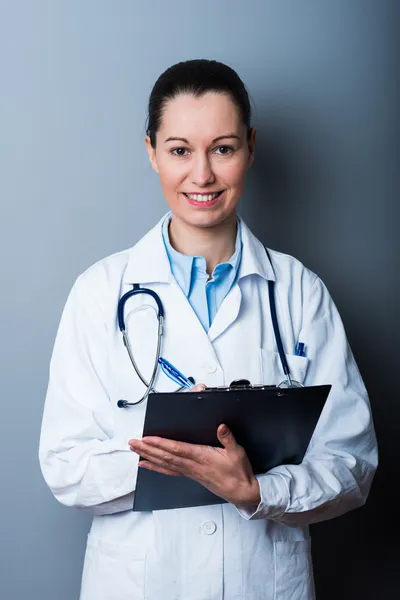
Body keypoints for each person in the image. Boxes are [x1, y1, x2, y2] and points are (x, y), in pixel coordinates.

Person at [39, 59, 377, 600]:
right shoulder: (100, 292)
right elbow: (66, 468)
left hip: (262, 583)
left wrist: (258, 491)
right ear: (151, 151)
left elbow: (352, 464)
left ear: (250, 146)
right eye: (179, 150)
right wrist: (172, 456)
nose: (202, 175)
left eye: (223, 148)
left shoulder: (298, 292)